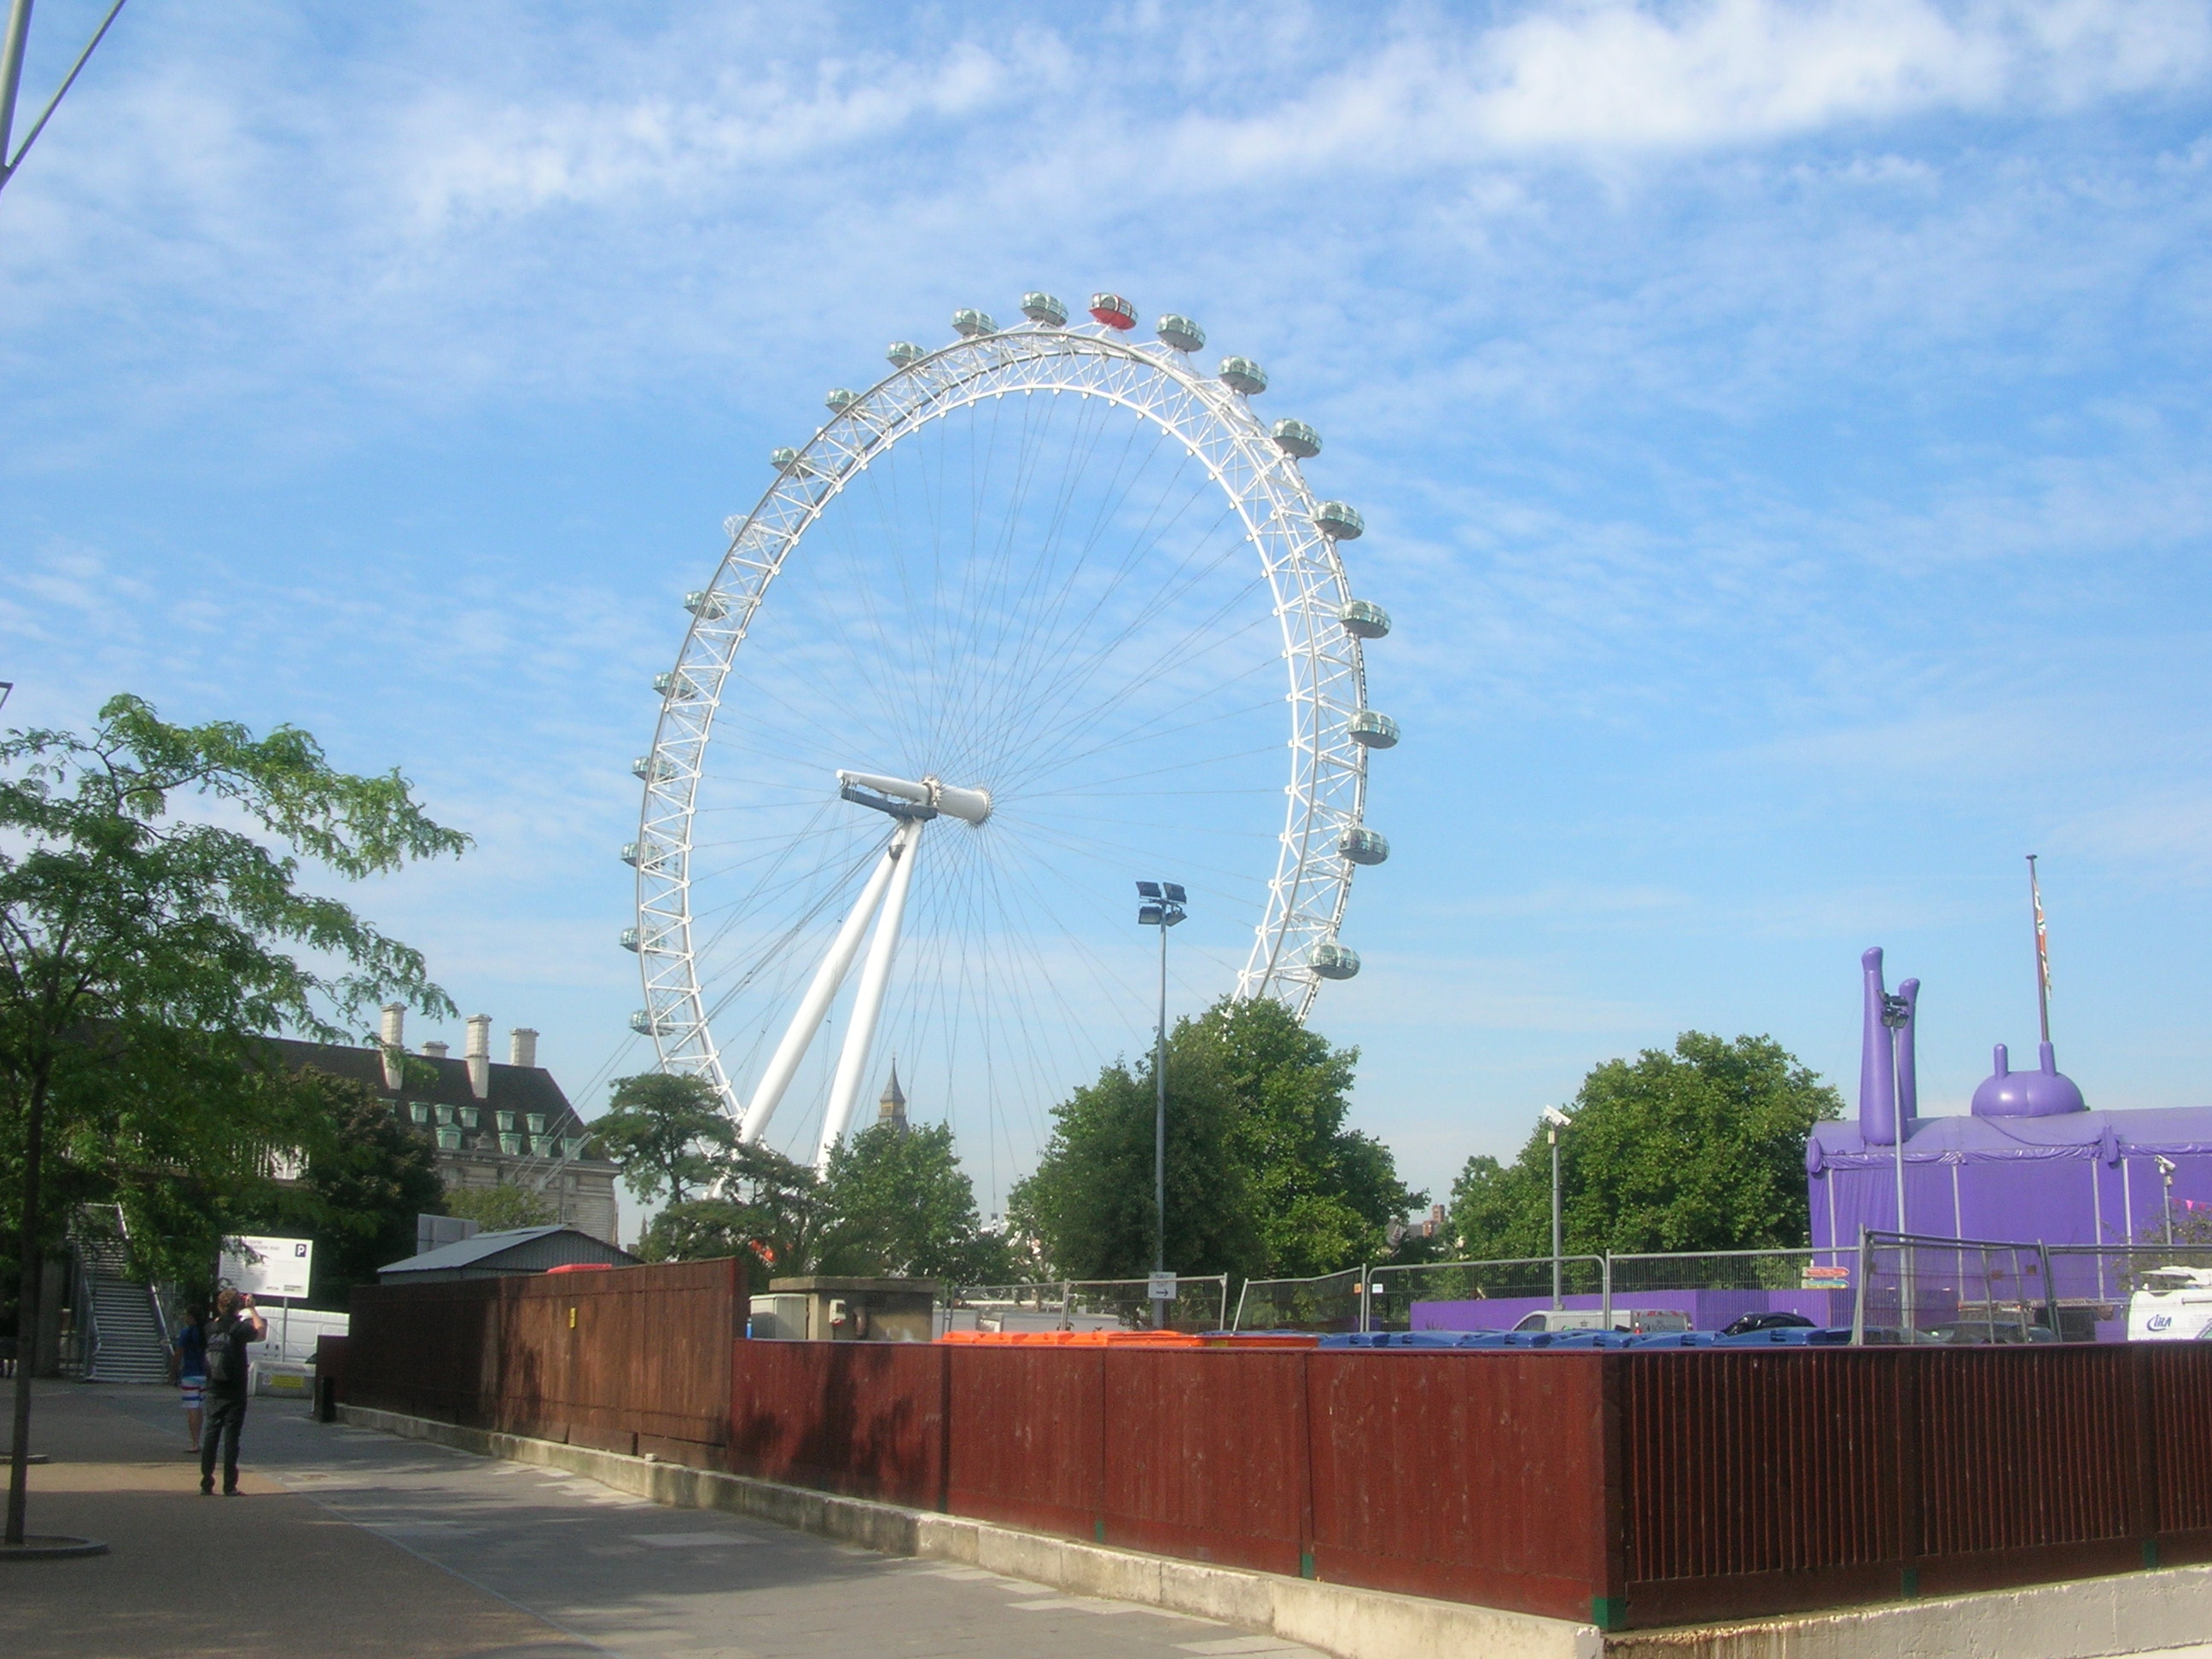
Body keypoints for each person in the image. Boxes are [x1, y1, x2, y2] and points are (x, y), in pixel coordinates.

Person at [200, 1289, 265, 1496]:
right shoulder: (240, 1328)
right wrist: (252, 1309)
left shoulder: (211, 1327)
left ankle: (206, 1482)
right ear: (239, 1306)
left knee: (210, 1434)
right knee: (231, 1438)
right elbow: (261, 1332)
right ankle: (229, 1485)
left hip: (214, 1388)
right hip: (235, 1390)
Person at [169, 1302, 209, 1454]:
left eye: (187, 1315)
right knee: (200, 1408)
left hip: (190, 1374)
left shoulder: (187, 1333)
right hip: (204, 1374)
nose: (185, 1318)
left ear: (192, 1317)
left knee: (192, 1408)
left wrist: (173, 1372)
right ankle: (200, 1439)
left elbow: (178, 1354)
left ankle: (195, 1442)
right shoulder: (205, 1332)